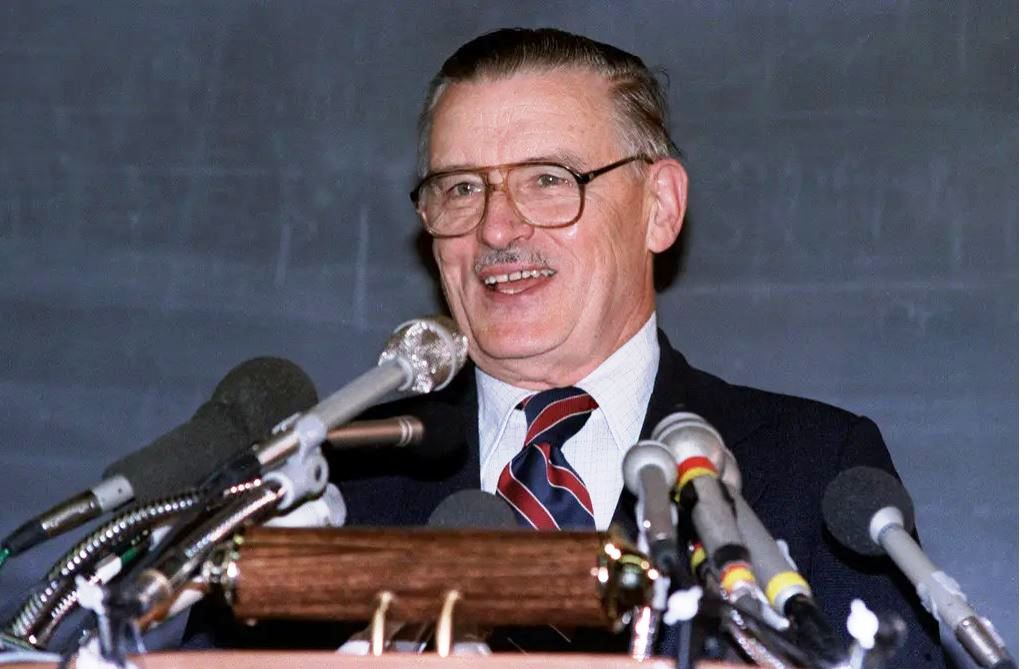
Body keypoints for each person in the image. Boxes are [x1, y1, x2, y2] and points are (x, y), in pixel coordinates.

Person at [185, 28, 944, 666]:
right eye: (460, 188)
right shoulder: (328, 485)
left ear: (660, 208)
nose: (496, 228)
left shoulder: (815, 470)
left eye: (548, 179)